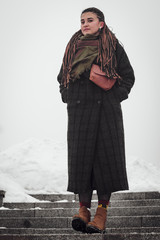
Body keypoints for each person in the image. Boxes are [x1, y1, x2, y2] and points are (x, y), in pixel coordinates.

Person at [57, 7, 135, 234]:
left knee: (104, 163)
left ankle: (101, 213)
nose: (85, 24)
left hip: (105, 113)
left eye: (90, 20)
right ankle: (83, 211)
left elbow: (128, 76)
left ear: (101, 23)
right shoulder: (72, 46)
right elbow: (62, 77)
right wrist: (67, 95)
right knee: (81, 162)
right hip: (79, 112)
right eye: (82, 20)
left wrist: (113, 97)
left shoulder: (113, 46)